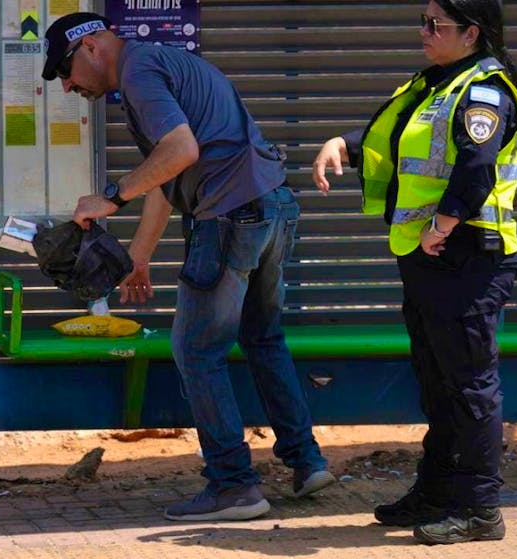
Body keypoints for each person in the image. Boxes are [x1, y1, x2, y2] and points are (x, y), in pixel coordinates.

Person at [41, 12, 335, 521]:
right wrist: (139, 258)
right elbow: (168, 173)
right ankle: (306, 462)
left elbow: (180, 150)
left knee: (196, 349)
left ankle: (233, 485)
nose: (67, 85)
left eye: (65, 71)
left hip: (230, 215)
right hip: (270, 205)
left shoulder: (138, 73)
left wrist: (110, 197)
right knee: (262, 338)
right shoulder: (162, 61)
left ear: (89, 46)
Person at [312, 0, 517, 545]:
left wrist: (443, 222)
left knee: (470, 386)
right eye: (424, 20)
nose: (425, 31)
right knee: (438, 383)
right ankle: (436, 492)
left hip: (468, 257)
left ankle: (481, 509)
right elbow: (404, 151)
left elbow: (475, 165)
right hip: (428, 258)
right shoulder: (436, 84)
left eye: (437, 24)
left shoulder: (484, 90)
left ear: (471, 32)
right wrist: (345, 143)